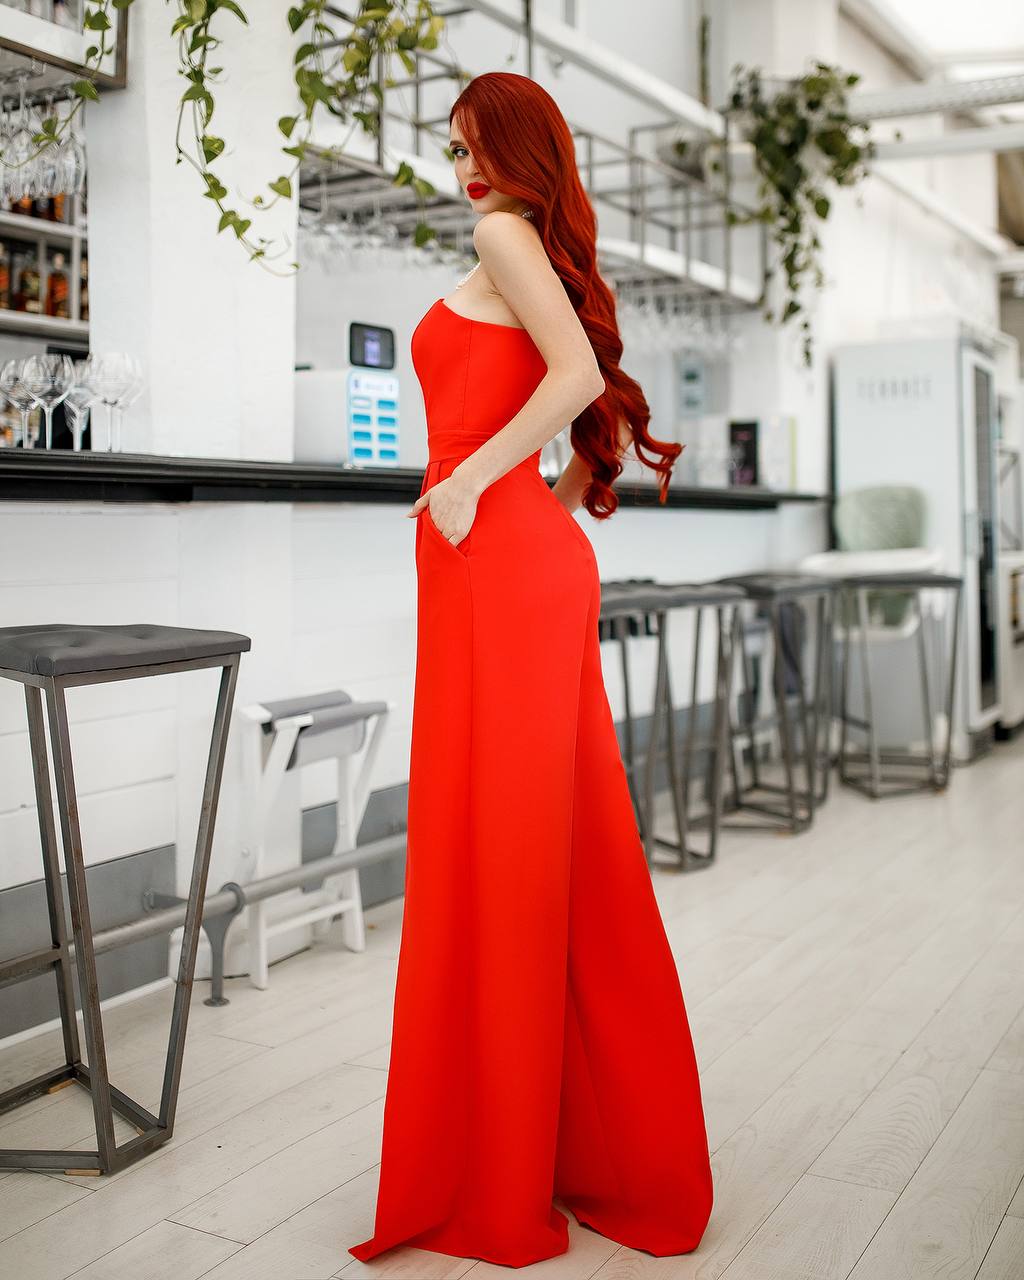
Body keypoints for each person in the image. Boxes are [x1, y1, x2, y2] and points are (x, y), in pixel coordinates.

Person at [348, 70, 713, 1269]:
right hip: (496, 558)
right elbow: (575, 386)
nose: (464, 172)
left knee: (503, 853)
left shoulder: (501, 233)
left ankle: (506, 1165)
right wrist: (542, 491)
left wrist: (471, 480)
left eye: (477, 149)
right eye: (452, 152)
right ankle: (550, 1144)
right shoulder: (513, 237)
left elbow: (569, 380)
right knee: (532, 848)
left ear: (517, 154)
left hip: (491, 557)